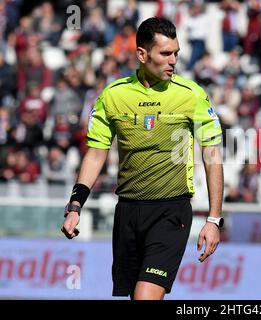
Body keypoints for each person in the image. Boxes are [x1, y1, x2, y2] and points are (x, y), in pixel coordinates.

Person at [61, 17, 224, 300]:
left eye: (176, 53)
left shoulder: (192, 95)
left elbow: (212, 155)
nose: (173, 60)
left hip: (171, 211)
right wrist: (75, 205)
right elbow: (96, 154)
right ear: (142, 54)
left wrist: (214, 219)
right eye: (165, 54)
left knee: (145, 296)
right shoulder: (113, 96)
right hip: (128, 211)